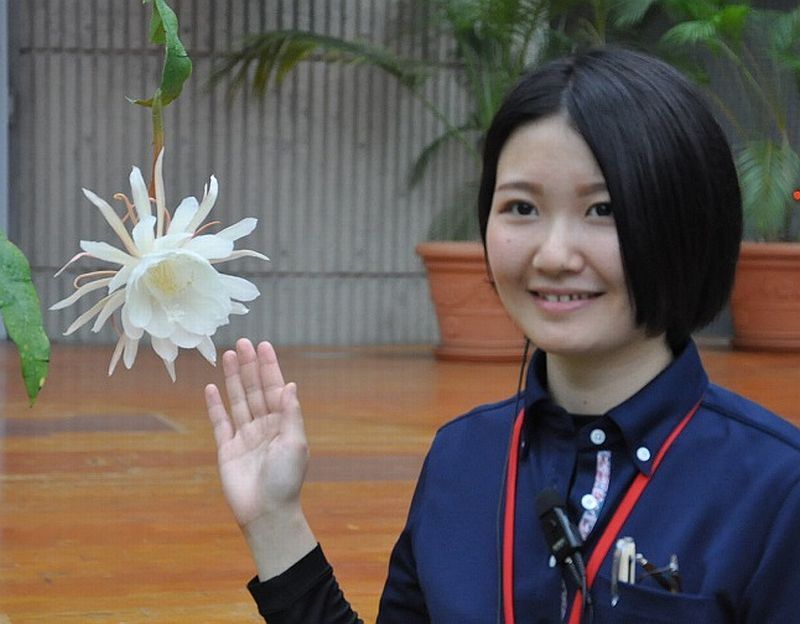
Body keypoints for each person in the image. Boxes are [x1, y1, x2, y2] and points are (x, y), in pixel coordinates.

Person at [204, 47, 800, 623]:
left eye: (602, 210)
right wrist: (274, 521)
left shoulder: (777, 488)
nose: (554, 254)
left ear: (686, 224)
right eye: (521, 208)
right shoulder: (463, 457)